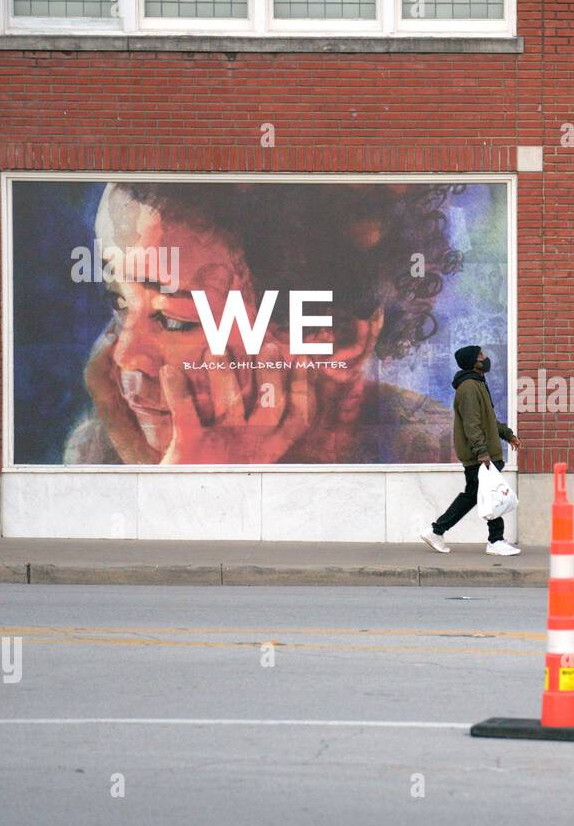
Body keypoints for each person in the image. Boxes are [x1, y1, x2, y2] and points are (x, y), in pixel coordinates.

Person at [65, 181, 457, 465]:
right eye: (119, 302)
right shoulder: (103, 447)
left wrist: (201, 490)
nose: (125, 356)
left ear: (334, 338)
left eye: (175, 320)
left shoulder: (438, 456)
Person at [421, 345, 522, 556]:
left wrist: (507, 435)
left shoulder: (477, 384)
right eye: (481, 355)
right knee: (490, 495)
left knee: (475, 495)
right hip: (481, 456)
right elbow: (471, 423)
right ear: (473, 362)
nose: (485, 358)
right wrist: (482, 452)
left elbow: (489, 420)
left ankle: (437, 531)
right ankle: (495, 540)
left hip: (484, 453)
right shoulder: (468, 387)